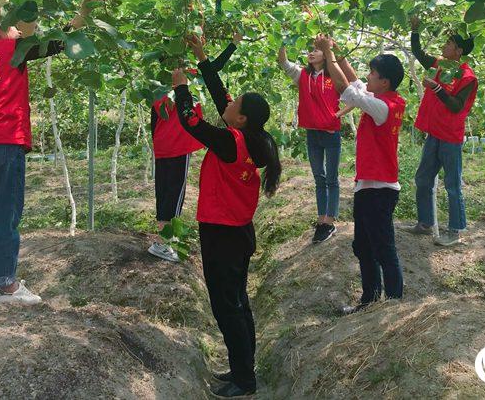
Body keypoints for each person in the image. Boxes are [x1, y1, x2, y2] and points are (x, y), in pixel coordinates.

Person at [0, 0, 99, 305]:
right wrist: (84, 11)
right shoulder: (11, 48)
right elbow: (61, 41)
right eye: (8, 26)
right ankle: (7, 287)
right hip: (2, 141)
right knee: (5, 214)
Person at [174, 32, 281, 398]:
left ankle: (245, 381)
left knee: (227, 306)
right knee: (237, 302)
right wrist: (202, 58)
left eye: (236, 104)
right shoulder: (250, 138)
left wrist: (181, 86)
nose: (229, 102)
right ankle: (241, 369)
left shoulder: (231, 142)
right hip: (236, 233)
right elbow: (222, 98)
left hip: (222, 235)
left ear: (242, 117)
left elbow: (191, 122)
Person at [315, 35, 406, 315]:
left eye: (373, 73)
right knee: (364, 246)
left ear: (384, 82)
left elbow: (345, 87)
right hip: (369, 187)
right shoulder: (382, 100)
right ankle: (370, 300)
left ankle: (393, 304)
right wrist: (339, 55)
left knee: (383, 247)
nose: (368, 76)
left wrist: (328, 53)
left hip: (379, 189)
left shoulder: (382, 107)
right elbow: (355, 84)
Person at [147, 35, 240, 262]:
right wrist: (233, 44)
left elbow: (153, 121)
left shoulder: (155, 88)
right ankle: (166, 243)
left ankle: (162, 237)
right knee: (175, 196)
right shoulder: (184, 81)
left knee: (164, 192)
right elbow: (213, 68)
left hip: (162, 148)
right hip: (178, 147)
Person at [401, 15, 478, 246]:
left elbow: (456, 107)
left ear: (458, 50)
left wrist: (436, 89)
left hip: (451, 137)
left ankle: (455, 231)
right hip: (434, 133)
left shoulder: (467, 77)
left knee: (452, 185)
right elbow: (418, 52)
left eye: (448, 44)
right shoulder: (438, 65)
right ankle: (425, 223)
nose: (443, 47)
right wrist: (415, 30)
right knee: (423, 178)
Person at [277, 42, 345, 244]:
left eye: (316, 50)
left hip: (331, 133)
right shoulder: (303, 75)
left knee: (331, 178)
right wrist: (282, 41)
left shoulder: (334, 76)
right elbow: (284, 62)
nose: (311, 53)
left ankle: (330, 221)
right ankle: (321, 219)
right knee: (319, 177)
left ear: (325, 55)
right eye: (310, 49)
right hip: (312, 133)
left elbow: (353, 95)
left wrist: (337, 114)